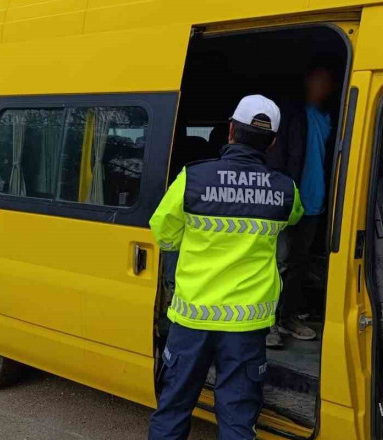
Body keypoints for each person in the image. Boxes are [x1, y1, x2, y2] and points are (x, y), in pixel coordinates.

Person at [148, 95, 304, 440]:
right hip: (246, 324)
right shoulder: (285, 190)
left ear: (230, 130)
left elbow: (163, 232)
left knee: (173, 407)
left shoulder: (192, 179)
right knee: (237, 416)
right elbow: (294, 218)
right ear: (273, 141)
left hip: (193, 319)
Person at [266, 66, 336, 347]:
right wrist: (278, 199)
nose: (325, 86)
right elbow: (276, 161)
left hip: (315, 205)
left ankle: (288, 317)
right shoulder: (290, 114)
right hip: (288, 202)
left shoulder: (332, 117)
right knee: (277, 263)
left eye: (328, 82)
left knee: (297, 265)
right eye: (320, 79)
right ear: (307, 81)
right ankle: (267, 321)